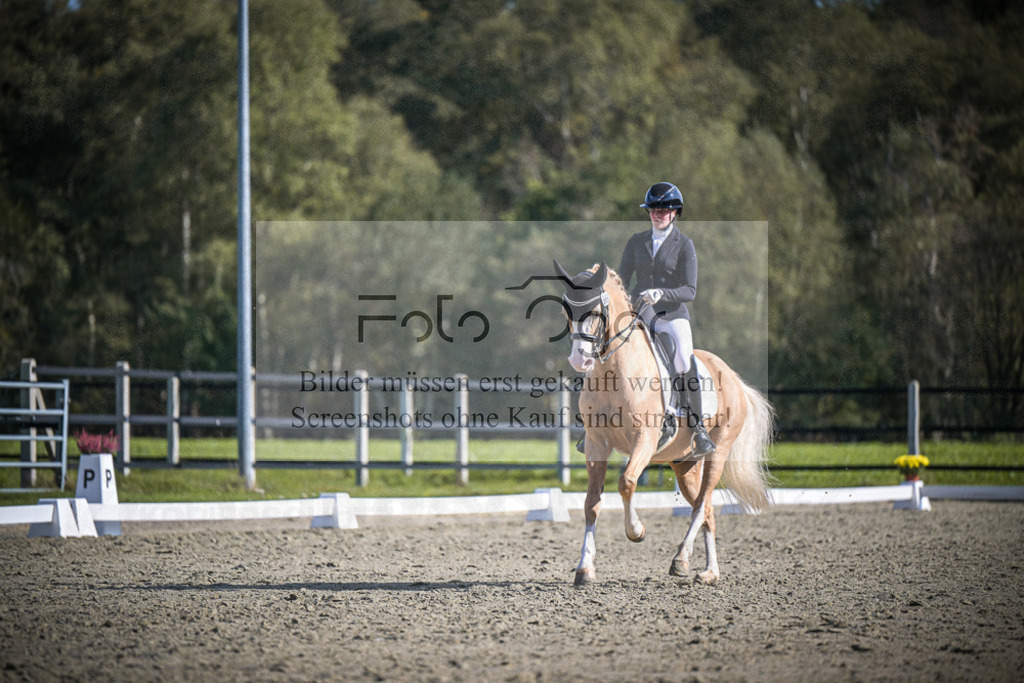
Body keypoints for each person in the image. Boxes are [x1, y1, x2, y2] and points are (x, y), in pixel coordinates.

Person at [618, 182, 715, 457]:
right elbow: (623, 279)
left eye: (662, 210)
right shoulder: (636, 242)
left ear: (674, 213)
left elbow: (690, 290)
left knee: (683, 358)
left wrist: (661, 293)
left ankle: (698, 429)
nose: (656, 215)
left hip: (672, 313)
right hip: (640, 311)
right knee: (610, 347)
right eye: (652, 210)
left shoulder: (684, 245)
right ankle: (593, 425)